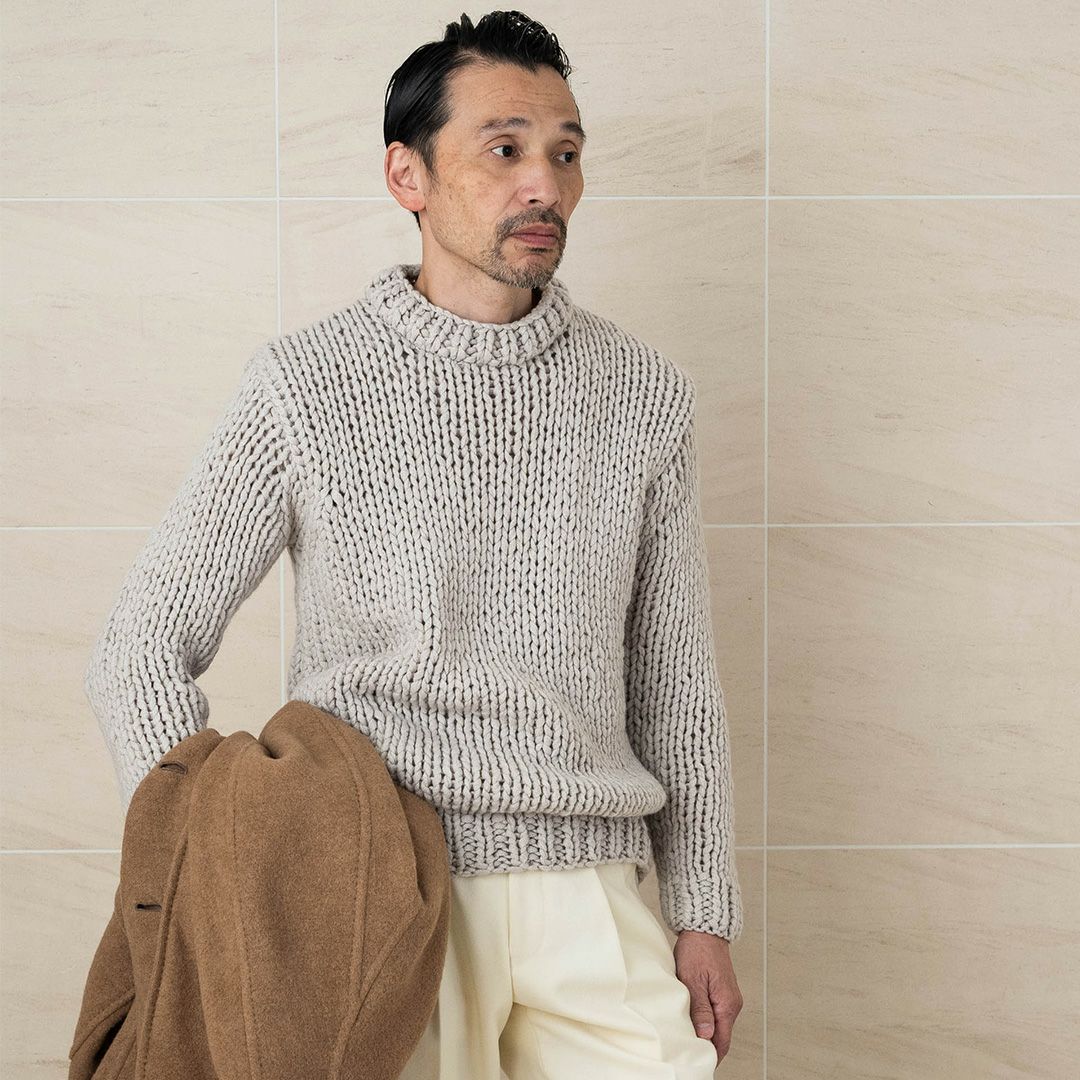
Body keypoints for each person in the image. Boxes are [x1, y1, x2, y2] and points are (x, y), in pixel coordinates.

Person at [83, 9, 744, 1078]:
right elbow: (139, 646)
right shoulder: (306, 385)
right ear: (409, 176)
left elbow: (676, 684)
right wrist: (219, 852)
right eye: (505, 149)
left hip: (594, 894)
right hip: (379, 897)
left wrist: (704, 909)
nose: (544, 185)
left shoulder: (644, 394)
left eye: (565, 152)